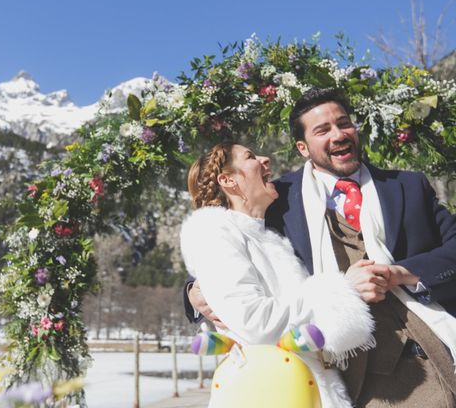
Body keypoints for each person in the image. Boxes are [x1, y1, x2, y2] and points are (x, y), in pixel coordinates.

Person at [186, 88, 456, 407]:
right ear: (303, 147)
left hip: (430, 354)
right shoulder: (277, 197)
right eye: (323, 130)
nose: (339, 134)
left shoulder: (408, 185)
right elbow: (226, 243)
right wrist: (193, 291)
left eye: (344, 124)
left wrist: (403, 273)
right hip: (338, 375)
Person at [181, 141, 376, 407]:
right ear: (228, 181)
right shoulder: (215, 233)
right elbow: (255, 323)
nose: (265, 159)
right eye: (250, 157)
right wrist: (342, 290)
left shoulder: (268, 238)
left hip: (303, 387)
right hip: (268, 390)